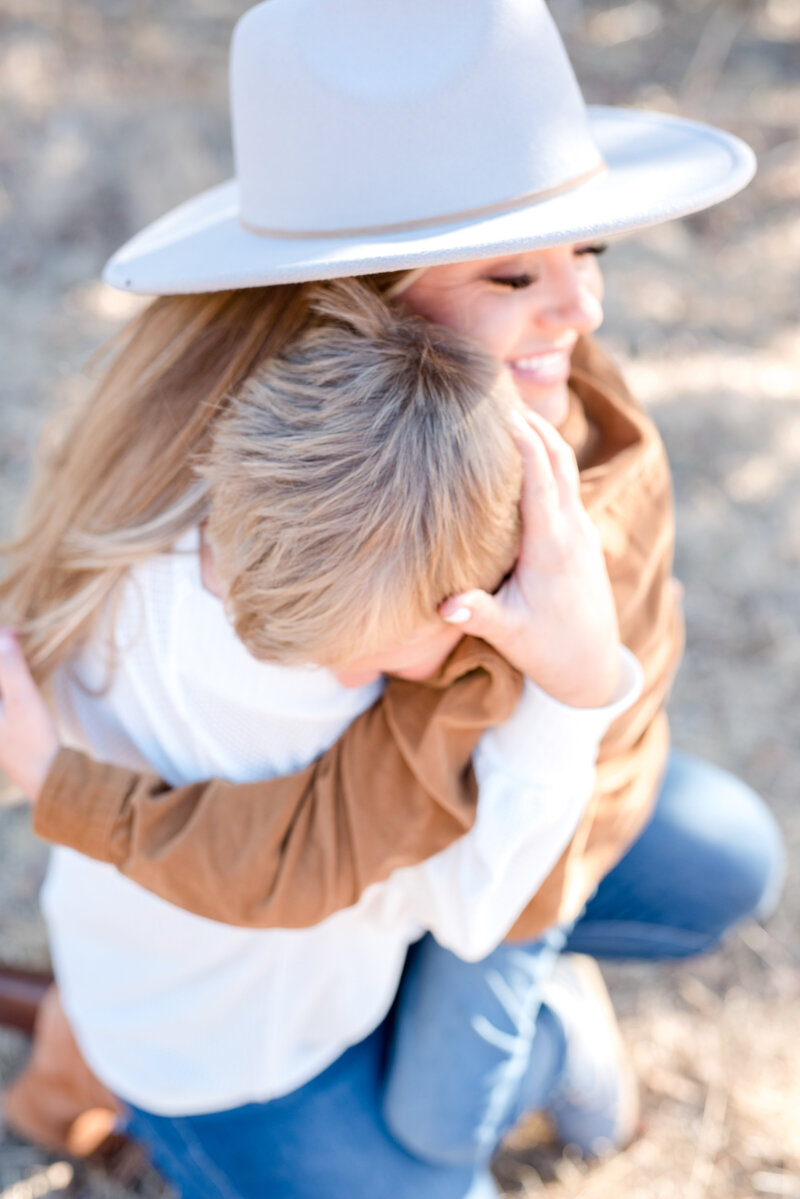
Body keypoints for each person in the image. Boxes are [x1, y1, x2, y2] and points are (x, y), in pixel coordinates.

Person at [0, 0, 785, 1194]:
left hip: (458, 857)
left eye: (588, 254)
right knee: (421, 1166)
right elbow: (290, 862)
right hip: (267, 973)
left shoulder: (547, 414)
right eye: (513, 269)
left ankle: (499, 1033)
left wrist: (575, 687)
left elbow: (499, 856)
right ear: (351, 300)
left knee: (717, 857)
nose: (583, 310)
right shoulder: (272, 575)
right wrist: (59, 781)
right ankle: (501, 1052)